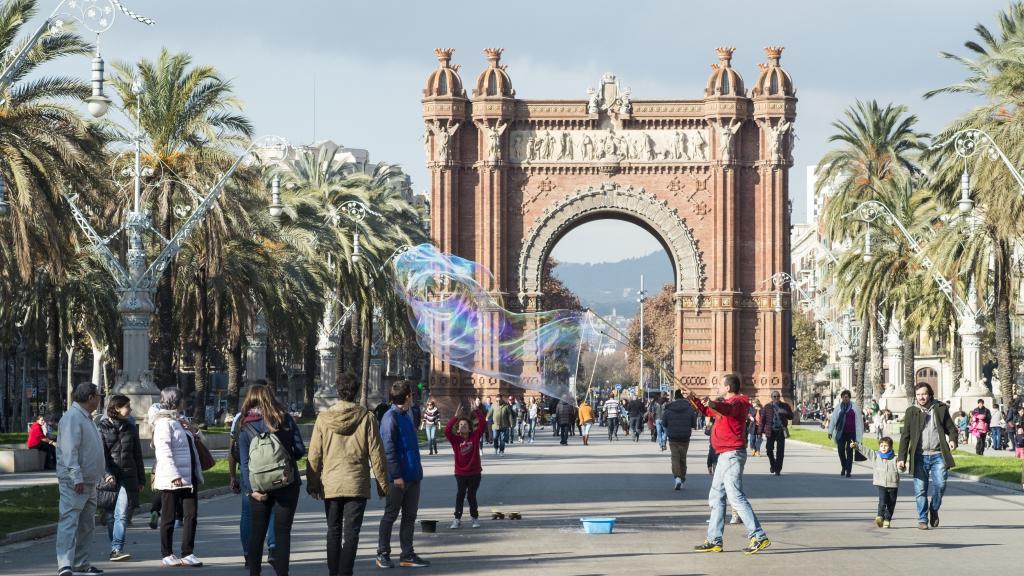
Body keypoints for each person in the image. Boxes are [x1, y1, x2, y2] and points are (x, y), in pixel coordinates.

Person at [306, 372, 388, 576]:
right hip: (356, 484)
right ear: (357, 391)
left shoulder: (323, 419)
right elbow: (376, 453)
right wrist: (383, 484)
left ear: (337, 390)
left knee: (333, 531)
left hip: (331, 484)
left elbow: (314, 454)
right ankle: (345, 572)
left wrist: (313, 483)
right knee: (351, 534)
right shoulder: (367, 417)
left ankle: (334, 572)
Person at [690, 375, 771, 555]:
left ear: (727, 387)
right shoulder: (725, 405)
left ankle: (758, 536)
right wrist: (693, 398)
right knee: (716, 496)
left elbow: (728, 409)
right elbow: (707, 411)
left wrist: (712, 402)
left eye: (721, 384)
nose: (719, 387)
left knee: (735, 497)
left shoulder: (739, 402)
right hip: (724, 455)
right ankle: (714, 540)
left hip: (732, 454)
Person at [238, 384, 306, 576]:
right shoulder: (284, 419)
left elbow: (244, 463)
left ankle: (255, 573)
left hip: (259, 488)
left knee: (257, 534)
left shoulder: (244, 425)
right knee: (283, 533)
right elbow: (300, 450)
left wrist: (252, 490)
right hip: (286, 484)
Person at [376, 380, 430, 568]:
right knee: (390, 515)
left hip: (413, 474)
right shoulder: (390, 417)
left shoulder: (406, 414)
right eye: (412, 394)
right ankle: (382, 553)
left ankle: (407, 554)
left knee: (409, 516)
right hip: (398, 478)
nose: (413, 397)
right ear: (407, 396)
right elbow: (388, 450)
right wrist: (396, 475)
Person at [55, 383, 105, 576]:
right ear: (90, 397)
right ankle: (65, 564)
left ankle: (81, 562)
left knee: (86, 524)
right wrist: (76, 477)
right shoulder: (73, 418)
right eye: (98, 395)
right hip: (75, 481)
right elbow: (70, 450)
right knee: (69, 521)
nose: (99, 399)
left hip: (90, 481)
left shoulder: (87, 418)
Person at [152, 387, 205, 567]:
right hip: (171, 477)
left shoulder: (180, 420)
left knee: (190, 515)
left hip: (188, 476)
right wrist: (174, 474)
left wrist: (193, 430)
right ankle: (167, 553)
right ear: (174, 401)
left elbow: (197, 442)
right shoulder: (163, 423)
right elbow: (163, 451)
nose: (185, 403)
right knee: (168, 516)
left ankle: (187, 553)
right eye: (182, 400)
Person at [897, 382, 957, 531]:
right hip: (919, 455)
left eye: (923, 394)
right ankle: (922, 519)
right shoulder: (911, 411)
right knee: (920, 490)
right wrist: (901, 458)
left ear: (929, 394)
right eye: (918, 395)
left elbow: (951, 428)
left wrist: (952, 440)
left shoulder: (940, 408)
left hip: (938, 454)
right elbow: (905, 436)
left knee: (941, 485)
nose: (921, 397)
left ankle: (934, 508)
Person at [97, 395, 145, 562]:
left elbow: (137, 455)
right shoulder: (101, 427)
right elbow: (100, 455)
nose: (130, 410)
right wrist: (107, 473)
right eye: (127, 407)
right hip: (109, 477)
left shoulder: (131, 428)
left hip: (127, 475)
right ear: (117, 408)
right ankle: (114, 547)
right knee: (111, 515)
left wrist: (141, 479)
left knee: (122, 513)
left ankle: (117, 548)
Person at [229, 402, 276, 569]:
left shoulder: (240, 419)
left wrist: (233, 476)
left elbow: (233, 451)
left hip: (249, 471)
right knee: (272, 510)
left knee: (248, 514)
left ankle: (249, 554)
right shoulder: (274, 416)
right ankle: (273, 548)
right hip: (272, 471)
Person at [444, 404, 486, 529]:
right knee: (460, 493)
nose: (463, 426)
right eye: (461, 425)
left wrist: (476, 411)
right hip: (460, 473)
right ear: (458, 428)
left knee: (471, 495)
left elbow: (483, 424)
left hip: (474, 472)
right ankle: (457, 518)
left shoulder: (475, 437)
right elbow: (446, 431)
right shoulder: (455, 440)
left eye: (465, 425)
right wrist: (455, 417)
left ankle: (475, 518)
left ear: (469, 429)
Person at [850, 437, 900, 528]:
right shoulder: (876, 456)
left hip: (893, 484)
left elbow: (901, 468)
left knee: (891, 504)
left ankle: (887, 519)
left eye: (885, 446)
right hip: (881, 483)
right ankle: (880, 517)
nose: (883, 448)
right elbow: (867, 451)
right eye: (881, 446)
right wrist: (856, 446)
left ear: (891, 447)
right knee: (882, 501)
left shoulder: (895, 458)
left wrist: (902, 466)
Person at [663, 390, 697, 490]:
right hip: (685, 437)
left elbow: (664, 423)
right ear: (683, 397)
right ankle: (682, 477)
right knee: (683, 458)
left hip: (673, 437)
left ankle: (677, 477)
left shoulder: (669, 409)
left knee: (675, 457)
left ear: (675, 398)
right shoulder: (689, 408)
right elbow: (693, 424)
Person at [827, 390, 863, 477]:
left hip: (851, 433)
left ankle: (848, 471)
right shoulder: (838, 407)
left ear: (849, 398)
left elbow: (859, 422)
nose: (845, 398)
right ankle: (844, 466)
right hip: (841, 433)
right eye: (843, 397)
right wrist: (830, 431)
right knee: (840, 450)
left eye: (846, 397)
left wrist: (859, 438)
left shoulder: (855, 407)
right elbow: (833, 420)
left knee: (849, 451)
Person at [759, 391, 793, 476]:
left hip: (781, 430)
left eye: (778, 396)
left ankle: (778, 469)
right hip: (770, 431)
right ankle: (773, 464)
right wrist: (759, 432)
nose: (776, 397)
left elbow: (791, 416)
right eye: (774, 396)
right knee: (769, 449)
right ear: (771, 397)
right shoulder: (767, 407)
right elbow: (762, 420)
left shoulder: (785, 406)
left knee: (780, 451)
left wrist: (785, 412)